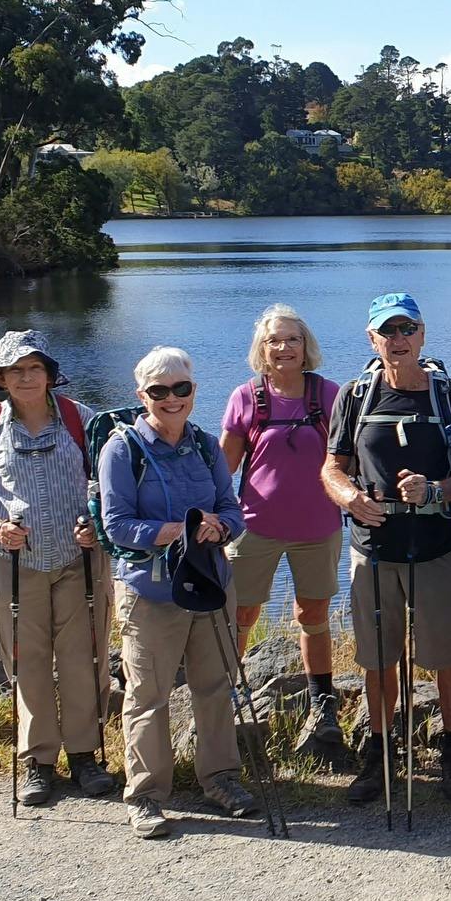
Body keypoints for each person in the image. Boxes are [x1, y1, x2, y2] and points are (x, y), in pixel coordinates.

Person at [321, 293, 451, 806]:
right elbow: (333, 466)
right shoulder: (355, 395)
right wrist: (349, 497)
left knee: (447, 656)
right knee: (378, 659)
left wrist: (434, 490)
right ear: (372, 339)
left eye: (407, 328)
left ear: (422, 333)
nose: (398, 339)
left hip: (435, 547)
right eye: (387, 331)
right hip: (373, 547)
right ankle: (381, 753)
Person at [98, 347, 252, 839]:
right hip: (151, 591)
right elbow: (116, 525)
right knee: (147, 696)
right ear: (142, 396)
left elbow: (233, 511)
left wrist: (218, 529)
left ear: (193, 391)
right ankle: (145, 796)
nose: (171, 398)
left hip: (209, 586)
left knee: (214, 688)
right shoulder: (121, 450)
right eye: (159, 391)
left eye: (180, 389)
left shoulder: (207, 446)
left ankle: (221, 780)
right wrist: (177, 530)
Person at [0, 330, 113, 803]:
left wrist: (95, 525)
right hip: (12, 564)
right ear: (2, 378)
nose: (25, 377)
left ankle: (86, 757)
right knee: (26, 662)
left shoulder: (80, 419)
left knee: (81, 658)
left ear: (49, 376)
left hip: (78, 561)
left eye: (33, 369)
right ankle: (39, 762)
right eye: (15, 371)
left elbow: (105, 489)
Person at [219, 305, 343, 746]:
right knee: (240, 612)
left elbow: (348, 460)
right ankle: (227, 692)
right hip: (255, 525)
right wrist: (207, 516)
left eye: (292, 339)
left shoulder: (329, 395)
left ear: (306, 346)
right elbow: (224, 468)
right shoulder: (245, 397)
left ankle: (322, 699)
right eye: (275, 340)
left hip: (319, 525)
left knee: (313, 614)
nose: (284, 347)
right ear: (262, 349)